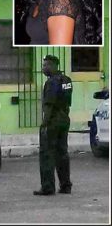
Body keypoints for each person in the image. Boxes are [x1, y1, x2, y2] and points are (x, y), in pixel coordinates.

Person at [33, 55, 73, 196]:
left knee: (47, 154)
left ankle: (48, 187)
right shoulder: (66, 80)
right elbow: (68, 102)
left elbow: (49, 105)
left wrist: (44, 124)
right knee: (62, 153)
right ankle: (66, 185)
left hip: (53, 121)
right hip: (64, 119)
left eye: (45, 65)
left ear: (53, 66)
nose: (43, 68)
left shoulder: (51, 83)